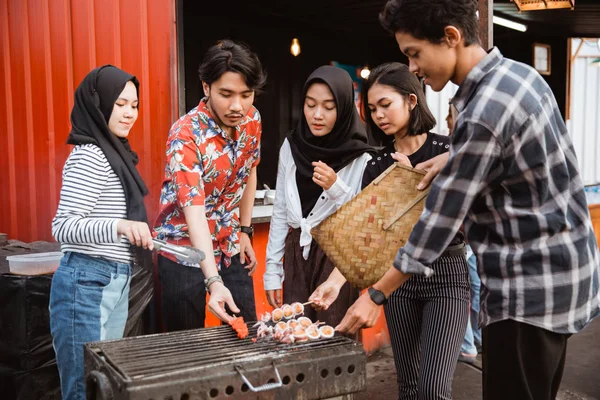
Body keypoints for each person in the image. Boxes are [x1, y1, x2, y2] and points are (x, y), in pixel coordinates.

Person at [335, 1, 600, 399]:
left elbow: (440, 221)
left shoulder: (481, 114)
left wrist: (376, 293)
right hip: (564, 278)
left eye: (414, 53)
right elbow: (516, 156)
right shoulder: (519, 77)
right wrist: (454, 157)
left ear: (451, 38)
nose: (414, 67)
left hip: (525, 294)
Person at [312, 62, 470, 399]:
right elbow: (368, 238)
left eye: (386, 104)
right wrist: (334, 282)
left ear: (412, 101)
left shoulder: (447, 153)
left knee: (433, 389)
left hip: (446, 274)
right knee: (409, 387)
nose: (379, 115)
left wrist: (410, 179)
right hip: (395, 279)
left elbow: (453, 221)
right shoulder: (377, 163)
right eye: (372, 108)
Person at [50, 65, 154, 400]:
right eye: (120, 103)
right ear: (98, 104)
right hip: (86, 282)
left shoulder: (116, 155)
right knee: (84, 390)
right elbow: (63, 225)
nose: (129, 113)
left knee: (104, 390)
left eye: (134, 105)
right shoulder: (91, 155)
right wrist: (121, 226)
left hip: (114, 280)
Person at [153, 40, 266, 330]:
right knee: (188, 348)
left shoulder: (252, 120)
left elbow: (249, 171)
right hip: (184, 250)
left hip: (229, 243)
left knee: (247, 333)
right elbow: (194, 213)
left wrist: (244, 231)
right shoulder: (185, 134)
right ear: (206, 87)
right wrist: (213, 280)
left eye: (246, 94)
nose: (237, 106)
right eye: (226, 94)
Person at [263, 65, 375, 326]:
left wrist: (336, 187)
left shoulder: (361, 157)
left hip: (337, 259)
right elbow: (280, 211)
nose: (317, 115)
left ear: (345, 107)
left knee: (333, 335)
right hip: (296, 255)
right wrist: (272, 272)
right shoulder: (291, 147)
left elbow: (365, 222)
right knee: (293, 332)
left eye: (328, 106)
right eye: (310, 104)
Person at [447, 102, 483, 364]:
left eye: (450, 115)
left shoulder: (458, 151)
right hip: (472, 238)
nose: (447, 120)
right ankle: (478, 340)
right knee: (474, 288)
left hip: (462, 239)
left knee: (463, 292)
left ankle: (469, 345)